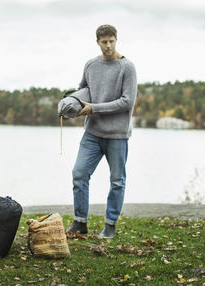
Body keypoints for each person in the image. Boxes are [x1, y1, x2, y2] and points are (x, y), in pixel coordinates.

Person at [67, 24, 137, 238]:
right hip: (92, 134)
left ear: (116, 40)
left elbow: (127, 102)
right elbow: (82, 92)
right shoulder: (90, 65)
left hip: (117, 135)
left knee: (117, 181)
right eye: (104, 42)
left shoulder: (127, 67)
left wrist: (94, 108)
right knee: (79, 174)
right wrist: (71, 105)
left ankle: (110, 225)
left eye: (111, 41)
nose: (108, 45)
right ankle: (80, 222)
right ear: (97, 42)